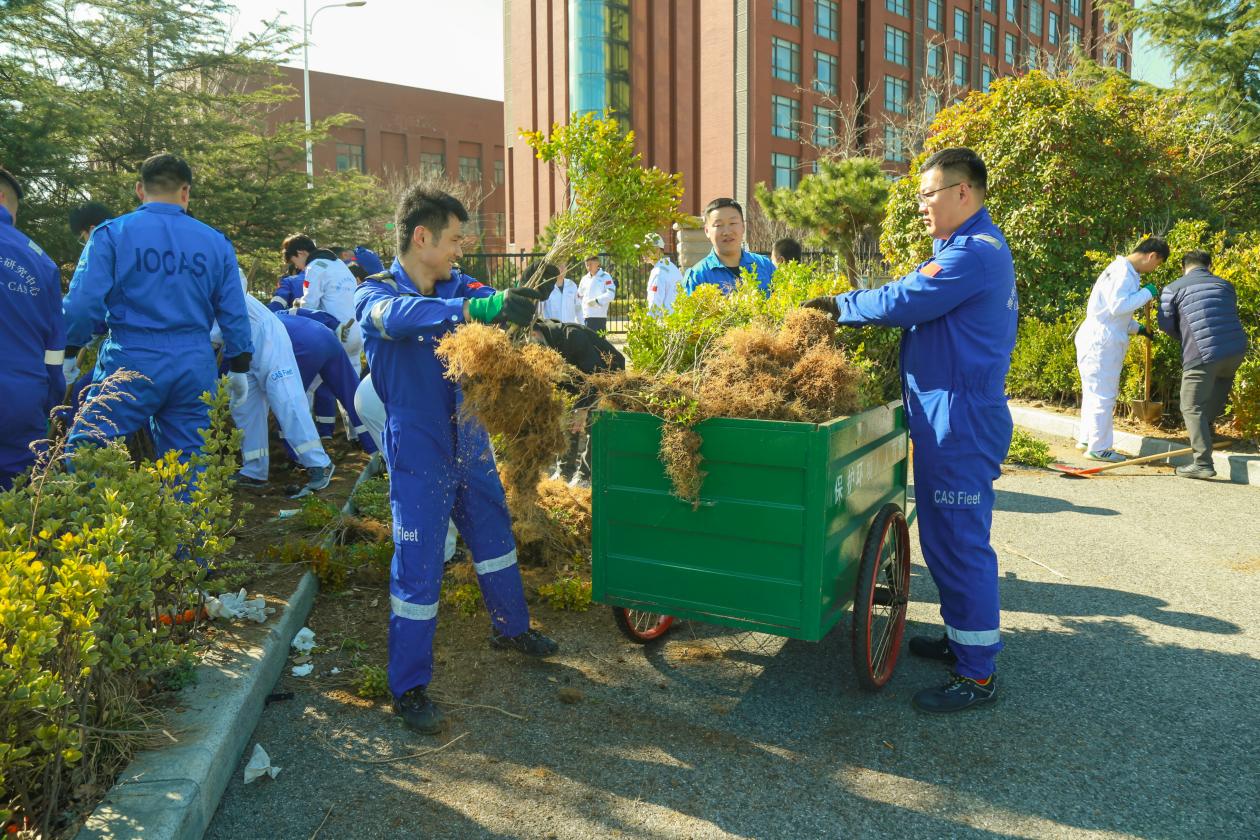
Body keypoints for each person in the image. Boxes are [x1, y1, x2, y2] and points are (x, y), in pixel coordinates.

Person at [803, 147, 1016, 714]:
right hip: (950, 411)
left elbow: (905, 299)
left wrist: (841, 305)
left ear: (962, 192)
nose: (922, 205)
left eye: (928, 194)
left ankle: (977, 674)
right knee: (945, 539)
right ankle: (962, 638)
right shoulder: (961, 247)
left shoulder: (973, 252)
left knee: (959, 542)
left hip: (960, 418)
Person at [354, 185, 558, 734]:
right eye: (454, 240)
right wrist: (473, 309)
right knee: (419, 564)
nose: (459, 250)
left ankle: (511, 628)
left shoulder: (459, 284)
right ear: (421, 237)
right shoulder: (374, 293)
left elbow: (494, 301)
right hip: (417, 446)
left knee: (494, 537)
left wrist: (522, 300)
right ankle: (409, 687)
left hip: (469, 436)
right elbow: (398, 318)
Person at [63, 153, 253, 461]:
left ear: (140, 189)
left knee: (90, 452)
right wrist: (240, 365)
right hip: (194, 363)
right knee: (189, 459)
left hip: (131, 359)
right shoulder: (216, 243)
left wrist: (70, 349)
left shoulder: (112, 234)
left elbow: (83, 304)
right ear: (185, 191)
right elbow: (234, 311)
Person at [215, 272, 333, 496]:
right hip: (239, 349)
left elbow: (237, 282)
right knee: (243, 408)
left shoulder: (211, 267)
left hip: (266, 339)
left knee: (287, 401)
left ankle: (319, 464)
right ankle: (254, 471)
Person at [0, 165, 66, 489]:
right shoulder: (41, 261)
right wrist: (50, 400)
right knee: (16, 493)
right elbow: (54, 350)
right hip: (21, 396)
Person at [1075, 237, 1169, 462]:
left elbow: (1113, 314)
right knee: (1104, 395)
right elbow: (1118, 307)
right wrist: (1148, 292)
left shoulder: (1120, 269)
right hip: (1102, 343)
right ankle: (1099, 448)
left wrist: (1138, 329)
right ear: (1152, 256)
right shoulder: (1123, 273)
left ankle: (1087, 439)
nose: (1154, 269)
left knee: (1093, 393)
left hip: (1096, 336)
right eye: (1157, 264)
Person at [1156, 250, 1248, 480]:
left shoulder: (1173, 288)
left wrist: (1186, 337)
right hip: (1235, 350)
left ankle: (1202, 463)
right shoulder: (1225, 286)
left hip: (1203, 351)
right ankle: (1207, 436)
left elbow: (1165, 324)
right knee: (1213, 397)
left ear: (1183, 267)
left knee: (1191, 406)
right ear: (1209, 266)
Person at [532, 313, 626, 488]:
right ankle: (564, 472)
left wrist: (583, 409)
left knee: (593, 422)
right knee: (567, 419)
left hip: (607, 377)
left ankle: (585, 475)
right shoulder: (546, 346)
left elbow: (596, 375)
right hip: (577, 381)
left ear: (534, 333)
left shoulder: (571, 336)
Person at [274, 309, 376, 455]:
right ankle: (375, 447)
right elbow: (300, 311)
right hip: (327, 336)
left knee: (289, 402)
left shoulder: (256, 323)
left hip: (304, 345)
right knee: (352, 394)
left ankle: (298, 455)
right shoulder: (274, 313)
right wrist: (334, 324)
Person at [683, 197, 776, 295]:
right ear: (707, 231)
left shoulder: (765, 266)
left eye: (733, 223)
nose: (727, 232)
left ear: (743, 227)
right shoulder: (698, 276)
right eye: (718, 225)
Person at [268, 233, 315, 311]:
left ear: (300, 253)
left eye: (293, 262)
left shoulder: (289, 281)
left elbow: (276, 305)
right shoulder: (331, 269)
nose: (296, 266)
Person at [643, 232, 681, 318]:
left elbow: (654, 305)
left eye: (646, 249)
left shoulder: (658, 272)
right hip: (675, 320)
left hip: (665, 322)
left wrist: (648, 323)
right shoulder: (672, 267)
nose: (643, 253)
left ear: (657, 250)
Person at [575, 255, 615, 333]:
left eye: (590, 264)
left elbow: (611, 294)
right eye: (587, 265)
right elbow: (579, 296)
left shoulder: (605, 277)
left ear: (597, 263)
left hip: (599, 317)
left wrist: (596, 301)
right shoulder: (584, 279)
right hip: (585, 317)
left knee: (599, 340)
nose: (588, 267)